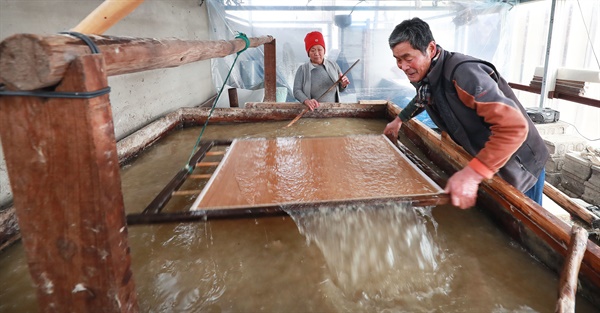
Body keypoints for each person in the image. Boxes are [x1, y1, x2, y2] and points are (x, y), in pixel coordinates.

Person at [383, 17, 549, 209]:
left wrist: (472, 174)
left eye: (408, 58)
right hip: (488, 157)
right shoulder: (429, 75)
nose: (403, 66)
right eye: (397, 60)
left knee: (523, 228)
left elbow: (514, 127)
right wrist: (399, 119)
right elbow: (424, 97)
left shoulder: (464, 74)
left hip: (519, 165)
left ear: (430, 48)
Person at [293, 31, 350, 111]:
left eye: (320, 49)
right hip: (312, 111)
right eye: (312, 50)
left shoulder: (333, 65)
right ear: (308, 53)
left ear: (324, 50)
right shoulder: (302, 69)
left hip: (333, 111)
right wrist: (306, 101)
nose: (316, 53)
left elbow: (340, 89)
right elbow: (296, 91)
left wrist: (343, 84)